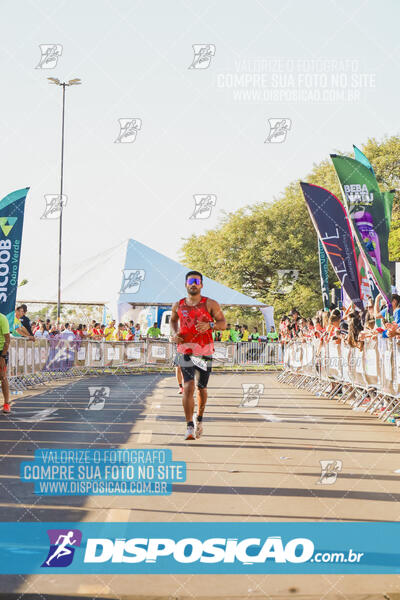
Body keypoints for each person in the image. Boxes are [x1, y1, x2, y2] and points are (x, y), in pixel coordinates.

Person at [170, 270, 226, 440]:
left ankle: (199, 419)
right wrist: (174, 333)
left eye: (196, 281)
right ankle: (189, 426)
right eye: (190, 281)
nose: (193, 284)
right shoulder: (178, 304)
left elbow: (223, 324)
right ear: (186, 284)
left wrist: (210, 325)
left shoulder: (210, 303)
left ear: (201, 284)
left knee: (201, 388)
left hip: (204, 351)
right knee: (188, 386)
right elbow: (173, 319)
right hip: (184, 350)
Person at [0, 313, 11, 414]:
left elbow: (7, 339)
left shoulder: (2, 318)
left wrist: (2, 357)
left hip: (1, 351)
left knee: (2, 377)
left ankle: (6, 403)